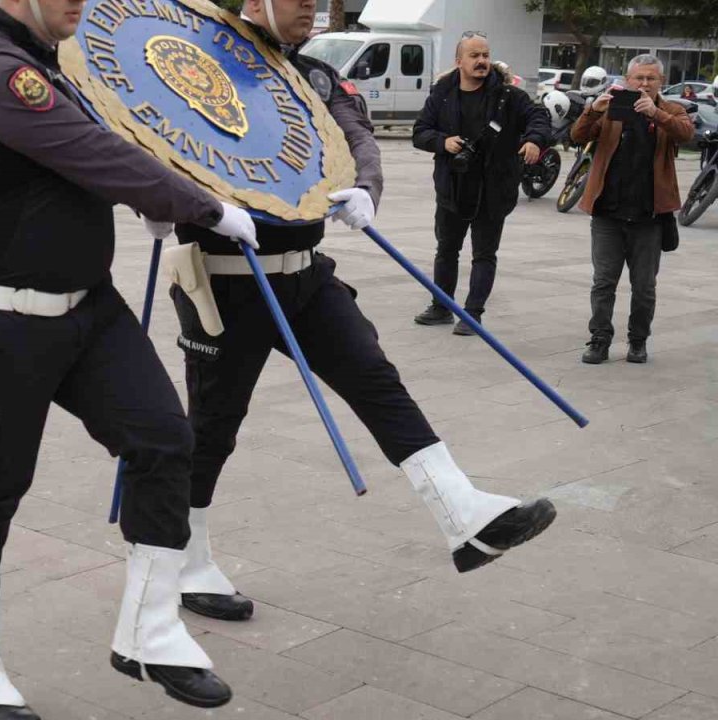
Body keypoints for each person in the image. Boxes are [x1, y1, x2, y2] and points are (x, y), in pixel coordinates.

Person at [163, 0, 558, 623]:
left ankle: (463, 516)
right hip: (226, 282)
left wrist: (364, 188)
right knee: (212, 428)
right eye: (298, 0)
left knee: (376, 380)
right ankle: (184, 562)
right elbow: (153, 140)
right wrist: (176, 201)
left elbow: (355, 135)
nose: (311, 11)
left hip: (304, 278)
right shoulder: (194, 62)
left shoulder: (312, 75)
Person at [0, 0, 267, 714]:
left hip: (89, 308)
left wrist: (152, 192)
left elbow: (102, 140)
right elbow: (89, 151)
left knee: (165, 441)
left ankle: (149, 631)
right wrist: (200, 206)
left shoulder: (52, 63)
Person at [412, 32, 549, 335]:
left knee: (484, 254)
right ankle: (441, 306)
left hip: (493, 190)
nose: (482, 61)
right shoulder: (442, 94)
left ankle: (472, 314)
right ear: (459, 61)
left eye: (485, 55)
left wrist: (533, 140)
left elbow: (538, 116)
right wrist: (442, 142)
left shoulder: (508, 96)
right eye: (474, 56)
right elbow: (420, 131)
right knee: (446, 250)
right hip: (453, 188)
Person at [573, 54, 693, 365]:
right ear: (628, 80)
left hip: (648, 217)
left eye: (650, 79)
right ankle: (599, 339)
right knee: (603, 282)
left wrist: (656, 114)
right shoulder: (612, 107)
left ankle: (638, 340)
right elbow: (578, 135)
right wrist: (592, 110)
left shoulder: (670, 110)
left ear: (660, 82)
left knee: (644, 287)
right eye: (638, 78)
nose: (644, 84)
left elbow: (686, 133)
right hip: (608, 214)